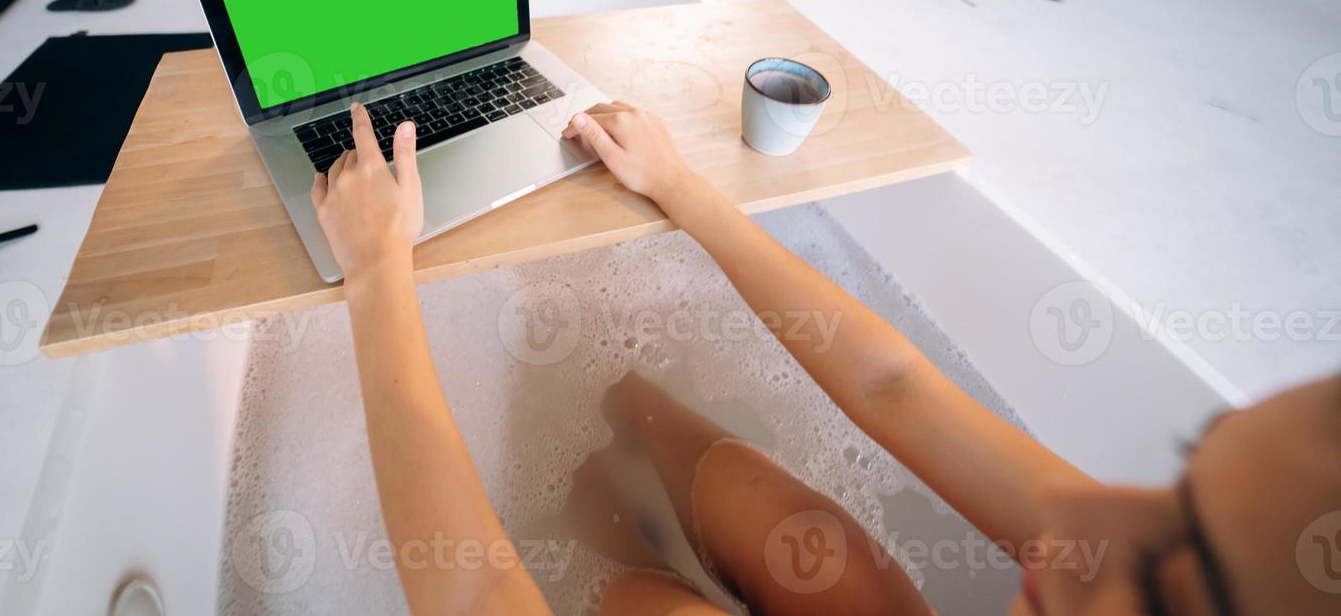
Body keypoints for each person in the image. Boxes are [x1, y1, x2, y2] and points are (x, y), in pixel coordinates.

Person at [312, 101, 1341, 615]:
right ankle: (611, 463)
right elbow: (896, 384)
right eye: (1185, 471)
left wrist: (375, 275)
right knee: (794, 525)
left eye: (1165, 580)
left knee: (638, 602)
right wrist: (682, 187)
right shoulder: (1116, 541)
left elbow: (481, 588)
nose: (1072, 509)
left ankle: (624, 563)